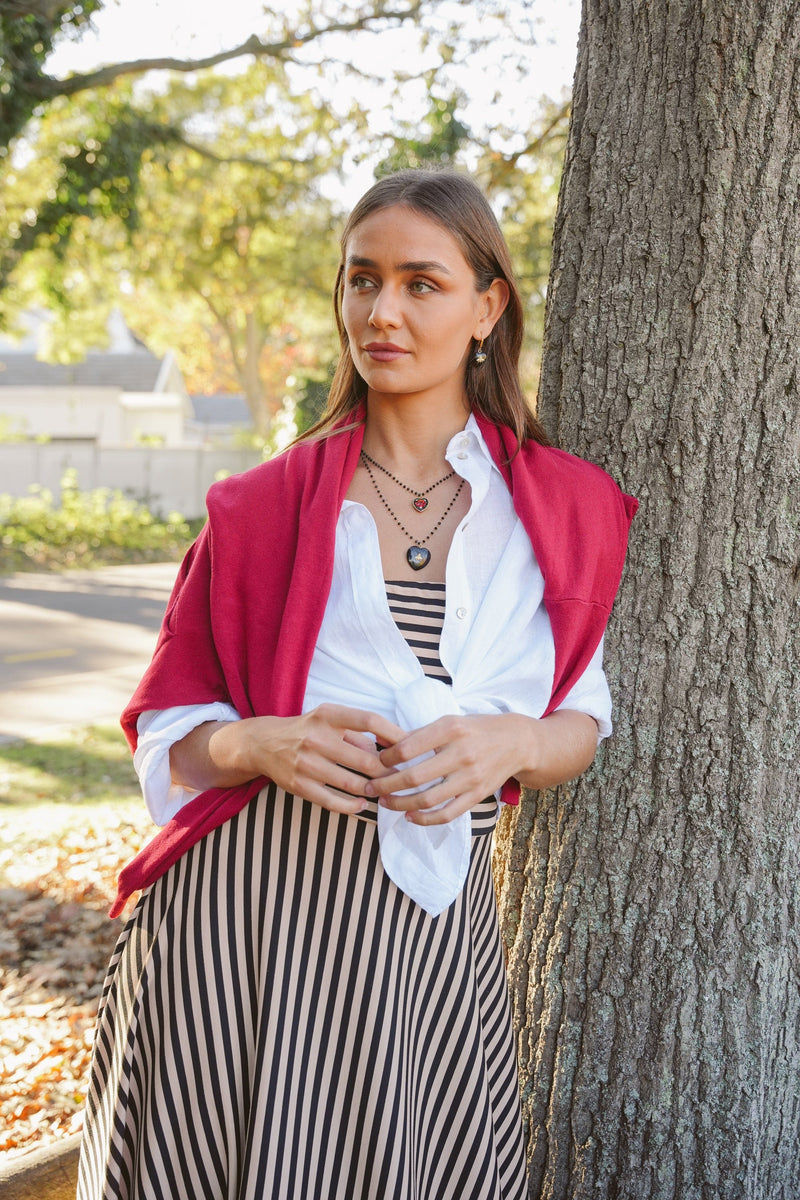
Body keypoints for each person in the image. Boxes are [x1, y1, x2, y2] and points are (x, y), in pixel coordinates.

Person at [78, 168, 636, 1200]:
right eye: (360, 280)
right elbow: (170, 730)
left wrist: (509, 744)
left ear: (487, 305)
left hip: (426, 952)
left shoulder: (563, 509)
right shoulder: (259, 505)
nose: (380, 312)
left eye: (420, 283)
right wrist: (257, 742)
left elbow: (580, 721)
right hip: (240, 932)